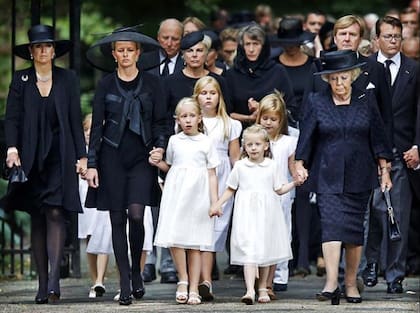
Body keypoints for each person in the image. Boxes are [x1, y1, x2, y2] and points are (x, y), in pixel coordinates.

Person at [295, 50, 393, 305]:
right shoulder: (317, 101)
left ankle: (350, 283)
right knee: (331, 227)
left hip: (360, 174)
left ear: (353, 76)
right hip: (327, 174)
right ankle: (330, 282)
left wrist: (385, 170)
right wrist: (299, 163)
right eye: (334, 79)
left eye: (344, 78)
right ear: (327, 79)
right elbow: (306, 136)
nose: (339, 84)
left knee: (353, 232)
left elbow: (379, 137)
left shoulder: (366, 100)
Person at [3, 24, 87, 304]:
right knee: (37, 215)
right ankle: (41, 283)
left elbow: (75, 119)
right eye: (38, 46)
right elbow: (11, 118)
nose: (43, 50)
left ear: (54, 51)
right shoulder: (20, 79)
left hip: (59, 156)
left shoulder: (68, 79)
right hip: (29, 156)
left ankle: (53, 282)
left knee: (54, 212)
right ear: (31, 51)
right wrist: (12, 149)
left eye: (47, 46)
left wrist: (82, 155)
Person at [85, 26, 168, 306]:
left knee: (136, 214)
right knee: (117, 219)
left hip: (142, 157)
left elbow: (160, 121)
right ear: (113, 53)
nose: (125, 54)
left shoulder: (153, 84)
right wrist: (92, 163)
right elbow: (97, 125)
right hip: (112, 157)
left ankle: (136, 272)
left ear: (138, 53)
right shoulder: (106, 84)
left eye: (129, 50)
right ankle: (123, 281)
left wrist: (160, 146)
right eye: (120, 50)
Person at [210, 124, 299, 305]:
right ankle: (250, 289)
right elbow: (230, 189)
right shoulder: (241, 166)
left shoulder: (272, 166)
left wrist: (294, 183)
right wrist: (217, 204)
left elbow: (279, 189)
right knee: (249, 249)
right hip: (247, 214)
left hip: (267, 214)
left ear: (266, 146)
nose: (253, 148)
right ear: (244, 147)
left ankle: (263, 287)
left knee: (265, 250)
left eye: (257, 144)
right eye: (249, 145)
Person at [363, 15, 420, 294]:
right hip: (369, 153)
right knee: (372, 212)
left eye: (398, 36)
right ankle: (370, 264)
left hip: (402, 152)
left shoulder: (414, 69)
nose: (394, 40)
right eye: (388, 36)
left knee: (399, 214)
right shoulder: (365, 68)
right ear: (376, 39)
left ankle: (395, 275)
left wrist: (418, 146)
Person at [150, 97, 219, 305]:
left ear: (199, 118)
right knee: (176, 236)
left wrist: (215, 202)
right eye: (183, 116)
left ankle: (194, 286)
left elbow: (212, 173)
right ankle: (183, 279)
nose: (188, 120)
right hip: (176, 192)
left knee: (195, 241)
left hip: (198, 195)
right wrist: (157, 162)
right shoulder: (174, 141)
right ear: (177, 119)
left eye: (191, 116)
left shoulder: (206, 142)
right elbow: (171, 167)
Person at [137, 18, 184, 285]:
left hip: (178, 137)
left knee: (173, 200)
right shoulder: (144, 63)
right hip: (148, 137)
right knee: (148, 201)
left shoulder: (187, 64)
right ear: (157, 37)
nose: (169, 43)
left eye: (175, 39)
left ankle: (168, 263)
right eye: (165, 38)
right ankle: (149, 261)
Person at [192, 76, 242, 301]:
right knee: (198, 230)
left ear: (219, 96)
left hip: (222, 178)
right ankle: (202, 282)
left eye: (213, 93)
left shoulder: (230, 124)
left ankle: (206, 280)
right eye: (204, 93)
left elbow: (234, 157)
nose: (208, 97)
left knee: (214, 232)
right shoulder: (192, 120)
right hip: (198, 175)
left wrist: (239, 182)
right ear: (197, 97)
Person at [256, 92, 298, 298]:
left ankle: (278, 277)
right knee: (259, 236)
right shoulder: (255, 140)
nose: (268, 123)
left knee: (281, 235)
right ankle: (258, 278)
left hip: (282, 196)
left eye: (273, 119)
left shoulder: (288, 142)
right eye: (265, 118)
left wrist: (298, 175)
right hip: (258, 196)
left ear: (281, 120)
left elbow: (292, 165)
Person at [225, 22, 296, 129]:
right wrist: (249, 118)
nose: (251, 49)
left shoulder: (277, 72)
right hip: (238, 135)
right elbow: (225, 112)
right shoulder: (231, 74)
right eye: (247, 44)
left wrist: (263, 109)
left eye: (256, 44)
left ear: (263, 46)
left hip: (272, 134)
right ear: (241, 46)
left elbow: (291, 109)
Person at [78, 114, 113, 299]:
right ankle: (95, 281)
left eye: (94, 128)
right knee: (89, 237)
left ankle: (100, 279)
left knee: (103, 235)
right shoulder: (79, 153)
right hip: (84, 197)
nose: (90, 132)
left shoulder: (106, 150)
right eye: (86, 129)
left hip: (101, 196)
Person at [164, 31, 231, 119]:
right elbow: (162, 117)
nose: (194, 55)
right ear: (183, 55)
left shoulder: (218, 81)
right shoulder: (169, 82)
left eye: (199, 50)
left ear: (206, 53)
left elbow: (226, 113)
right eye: (190, 51)